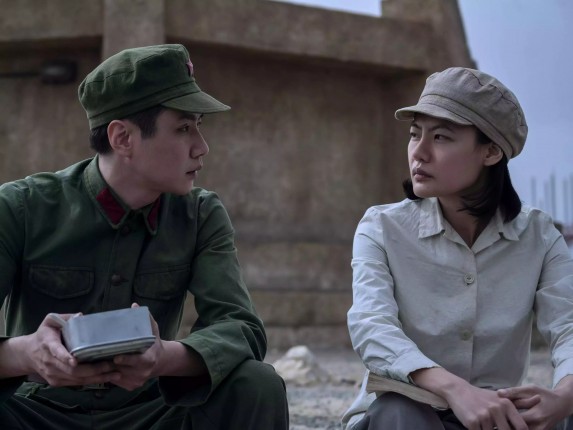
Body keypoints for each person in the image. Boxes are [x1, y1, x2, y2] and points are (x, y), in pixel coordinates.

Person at [0, 44, 289, 429]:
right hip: (36, 413)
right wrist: (27, 353)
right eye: (183, 128)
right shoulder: (20, 207)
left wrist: (162, 356)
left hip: (150, 414)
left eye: (199, 126)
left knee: (256, 384)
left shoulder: (200, 215)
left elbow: (241, 327)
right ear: (123, 138)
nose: (202, 147)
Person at [342, 67, 573, 430]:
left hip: (498, 416)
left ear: (491, 151)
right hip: (407, 412)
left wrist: (563, 396)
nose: (419, 152)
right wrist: (455, 390)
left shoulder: (539, 236)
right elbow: (372, 326)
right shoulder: (381, 228)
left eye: (441, 137)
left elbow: (568, 325)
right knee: (399, 412)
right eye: (415, 134)